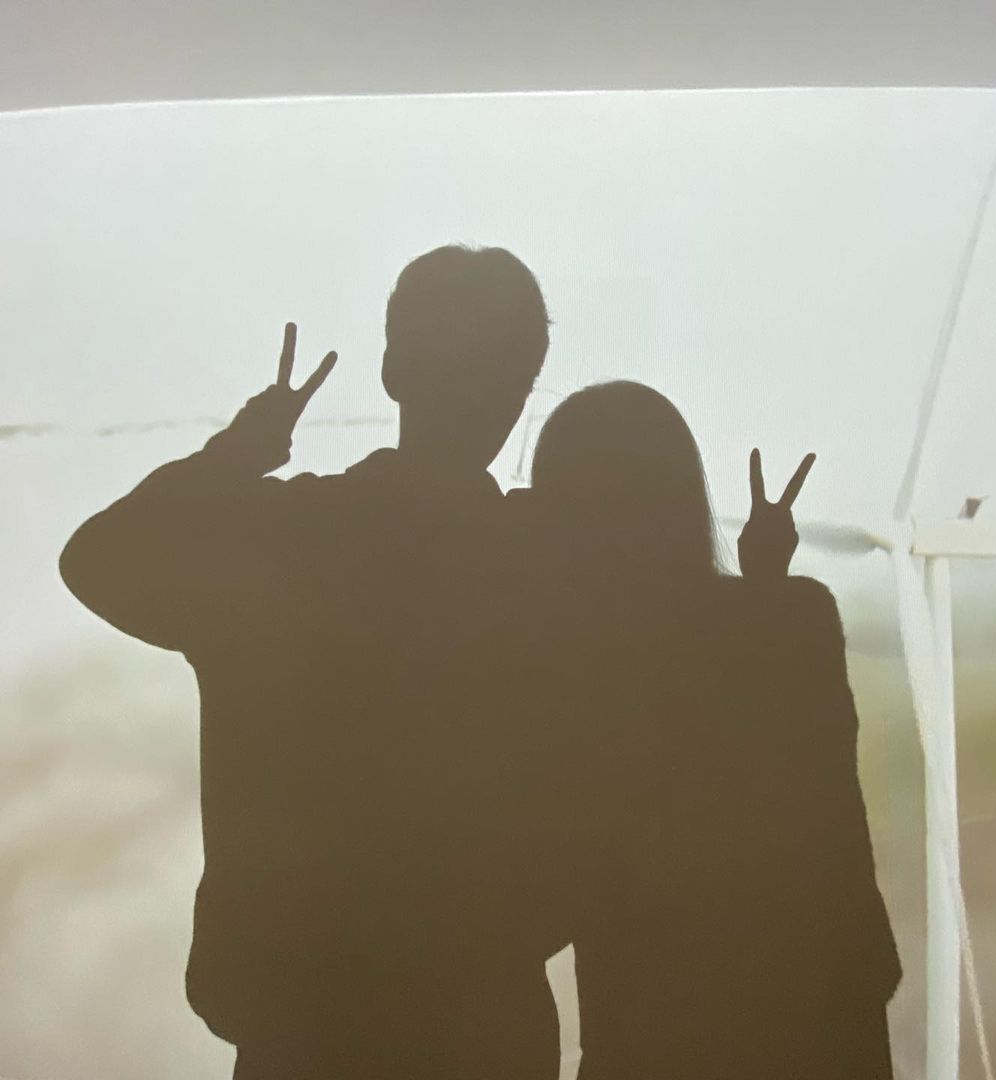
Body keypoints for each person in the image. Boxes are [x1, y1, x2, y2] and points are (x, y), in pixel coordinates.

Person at [59, 245, 562, 1079]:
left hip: (301, 1020)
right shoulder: (544, 568)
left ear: (393, 369)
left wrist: (236, 454)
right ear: (521, 392)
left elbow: (98, 558)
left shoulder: (281, 539)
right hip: (481, 1018)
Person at [521, 380, 901, 1079]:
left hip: (654, 1033)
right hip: (822, 1017)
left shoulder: (578, 673)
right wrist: (767, 584)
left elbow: (552, 897)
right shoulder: (796, 620)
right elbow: (820, 798)